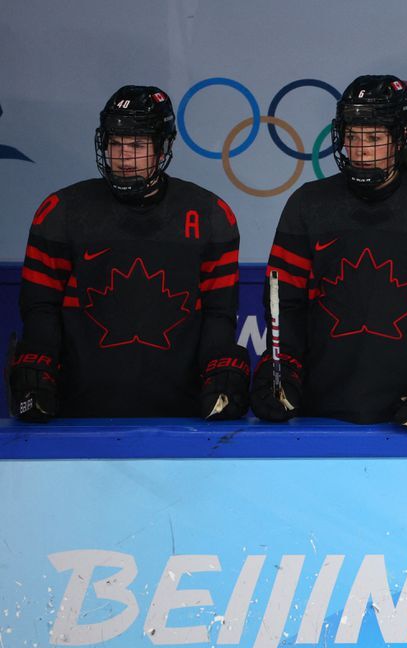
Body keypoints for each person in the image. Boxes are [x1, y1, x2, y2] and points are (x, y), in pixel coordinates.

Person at [252, 74, 407, 427]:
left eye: (374, 138)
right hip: (319, 411)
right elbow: (283, 301)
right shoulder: (307, 204)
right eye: (353, 137)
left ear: (401, 138)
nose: (360, 150)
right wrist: (283, 370)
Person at [8, 85, 248, 421]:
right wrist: (36, 370)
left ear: (162, 147)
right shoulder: (60, 211)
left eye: (136, 144)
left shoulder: (210, 215)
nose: (124, 158)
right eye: (116, 143)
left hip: (182, 418)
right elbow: (39, 308)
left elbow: (219, 315)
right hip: (78, 415)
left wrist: (222, 372)